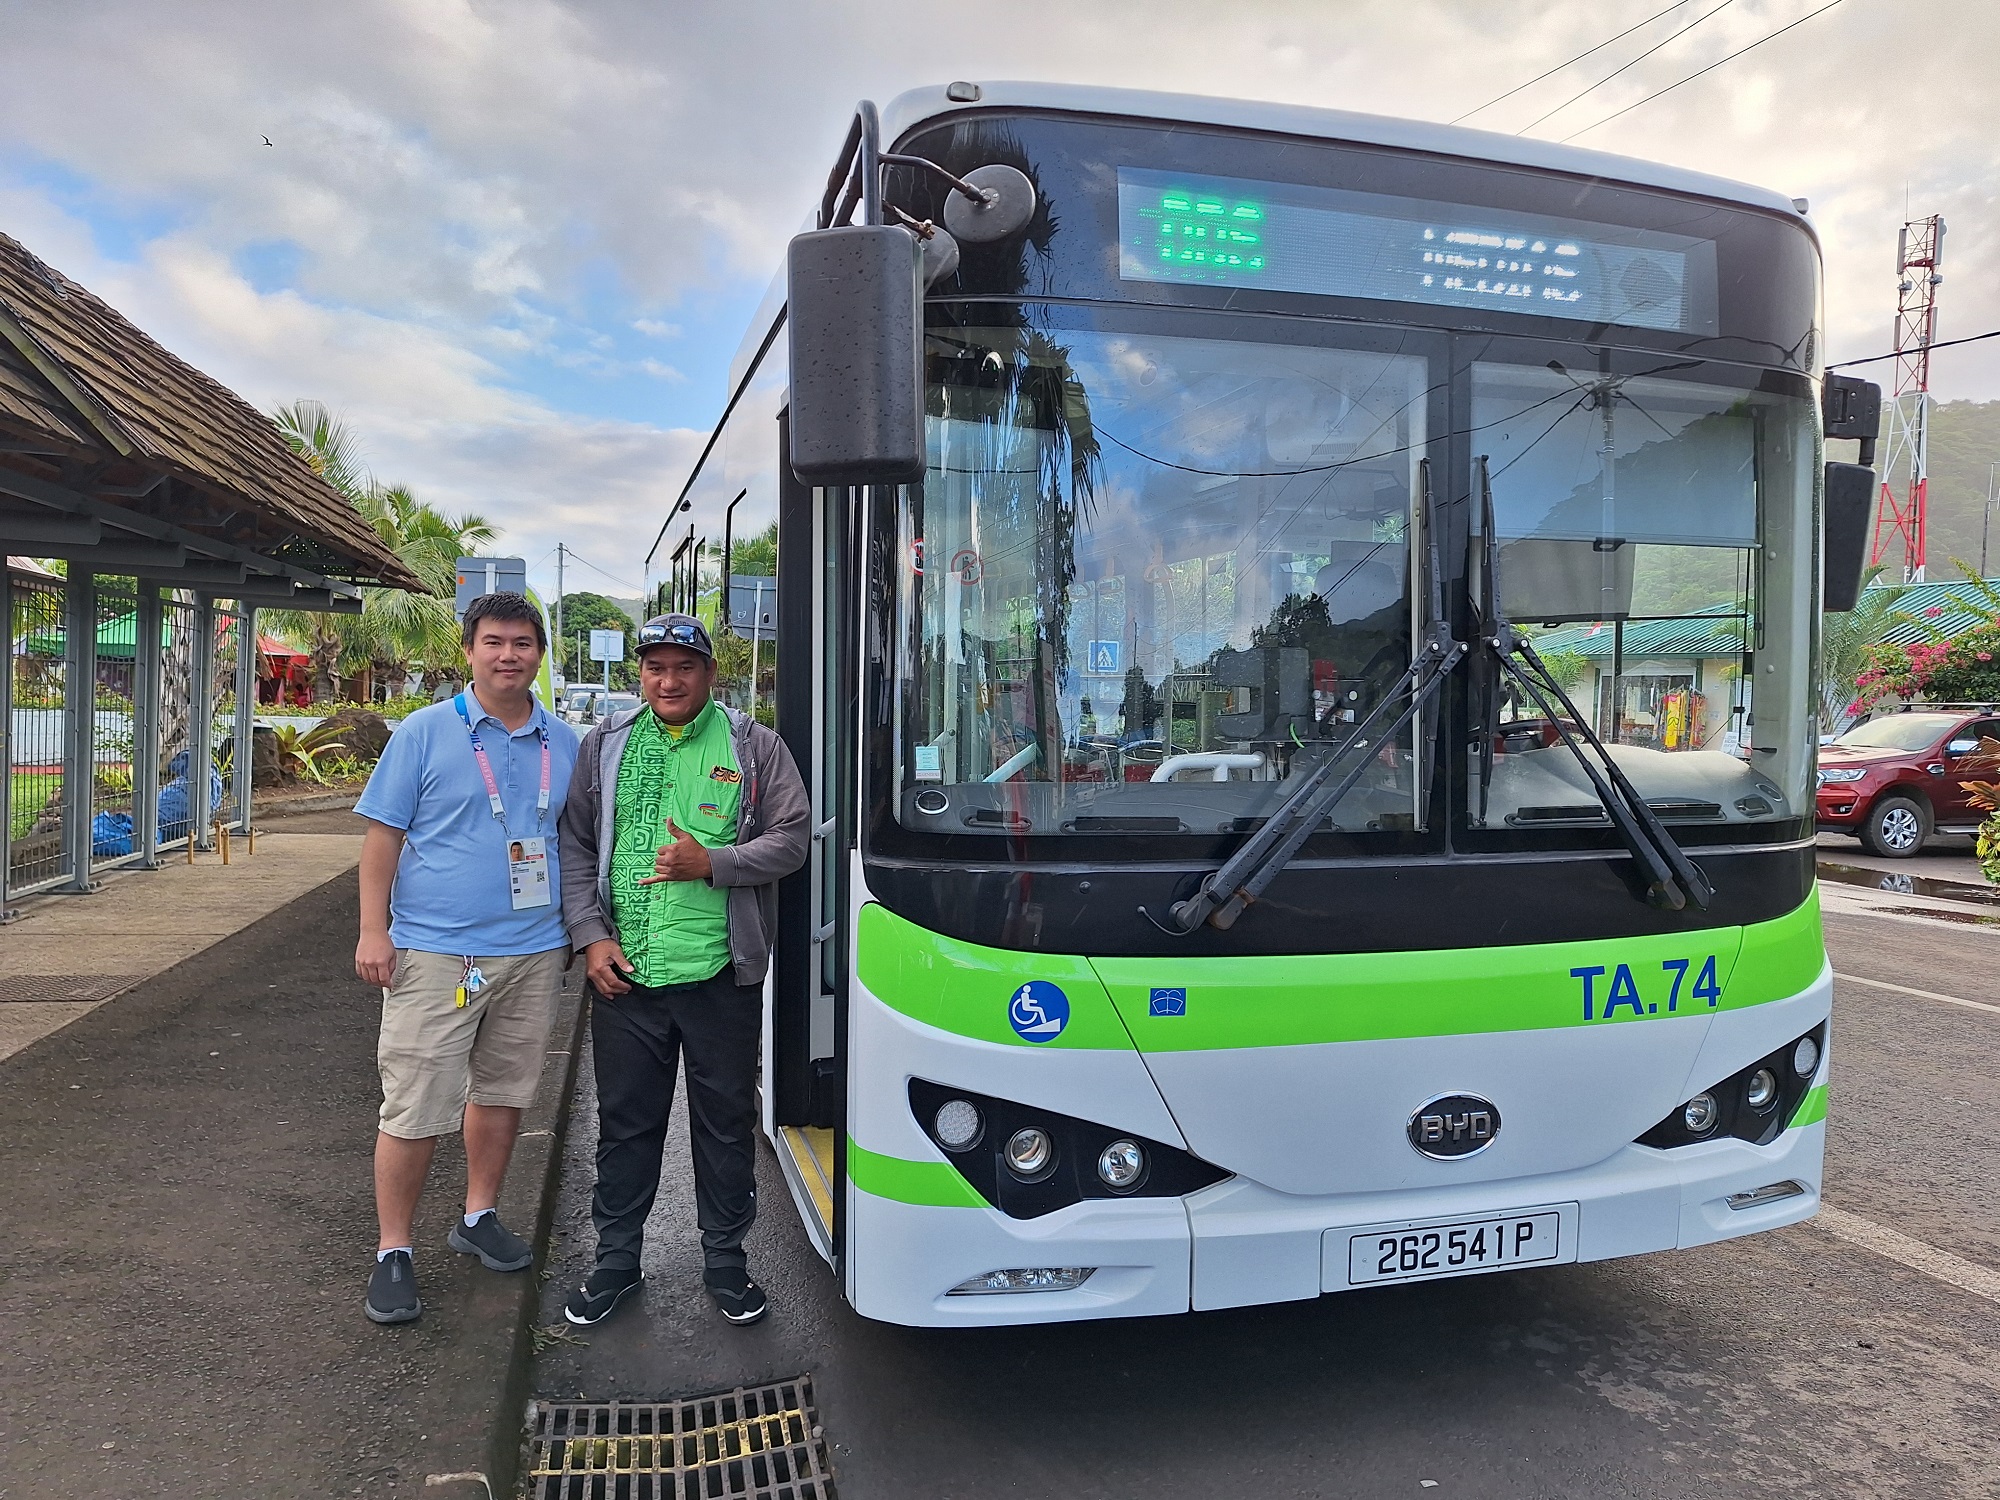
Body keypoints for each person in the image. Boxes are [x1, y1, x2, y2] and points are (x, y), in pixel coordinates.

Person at [556, 613, 808, 1327]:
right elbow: (575, 844)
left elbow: (793, 839)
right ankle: (616, 1261)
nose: (668, 681)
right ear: (641, 673)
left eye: (684, 667)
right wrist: (590, 937)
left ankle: (726, 1262)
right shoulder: (606, 744)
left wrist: (715, 862)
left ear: (710, 674)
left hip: (719, 976)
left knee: (724, 1125)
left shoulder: (753, 747)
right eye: (655, 667)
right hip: (626, 976)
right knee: (625, 1125)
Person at [351, 592, 580, 1325]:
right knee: (416, 1102)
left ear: (540, 653)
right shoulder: (424, 732)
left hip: (534, 952)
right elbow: (382, 838)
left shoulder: (565, 742)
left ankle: (479, 1215)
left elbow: (575, 842)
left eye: (522, 643)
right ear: (469, 650)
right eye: (494, 642)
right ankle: (393, 1250)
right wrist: (374, 931)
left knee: (505, 1092)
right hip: (437, 953)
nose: (508, 655)